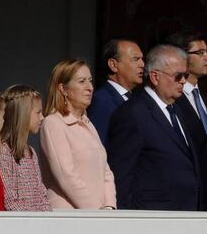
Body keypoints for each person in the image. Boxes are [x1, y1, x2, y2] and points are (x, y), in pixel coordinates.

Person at [107, 44, 202, 210]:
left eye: (185, 75)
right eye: (178, 76)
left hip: (188, 214)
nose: (183, 81)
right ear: (155, 77)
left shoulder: (178, 109)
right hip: (153, 217)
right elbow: (122, 176)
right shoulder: (133, 114)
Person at [40, 59, 117, 209]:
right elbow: (66, 176)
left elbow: (106, 172)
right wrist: (96, 211)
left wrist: (109, 207)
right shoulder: (53, 123)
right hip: (70, 217)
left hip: (98, 216)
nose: (90, 87)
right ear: (63, 89)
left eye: (90, 81)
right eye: (81, 82)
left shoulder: (88, 124)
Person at [166, 31, 207, 209]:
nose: (206, 57)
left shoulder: (202, 95)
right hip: (187, 195)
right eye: (199, 53)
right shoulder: (174, 98)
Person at [0, 85, 51, 211]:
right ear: (23, 115)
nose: (42, 117)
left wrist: (48, 219)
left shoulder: (31, 152)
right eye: (38, 112)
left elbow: (42, 195)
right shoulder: (3, 152)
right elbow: (9, 201)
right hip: (19, 226)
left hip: (38, 225)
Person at [88, 38, 144, 145]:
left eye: (142, 59)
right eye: (136, 59)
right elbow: (99, 146)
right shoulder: (101, 101)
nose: (142, 64)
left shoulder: (136, 99)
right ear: (113, 65)